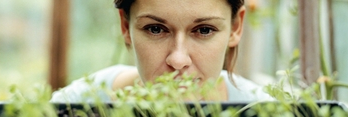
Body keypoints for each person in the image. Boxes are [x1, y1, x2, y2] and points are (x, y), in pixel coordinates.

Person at [50, 0, 272, 103]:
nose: (178, 59)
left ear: (235, 28)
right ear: (125, 27)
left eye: (204, 30)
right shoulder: (75, 106)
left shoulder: (266, 113)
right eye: (155, 29)